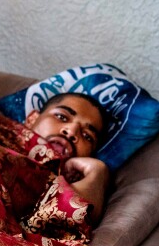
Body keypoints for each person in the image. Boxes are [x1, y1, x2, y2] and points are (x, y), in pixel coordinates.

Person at [24, 92, 110, 222]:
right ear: (32, 119)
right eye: (61, 117)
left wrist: (97, 171)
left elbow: (67, 223)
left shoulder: (57, 188)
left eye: (87, 136)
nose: (71, 131)